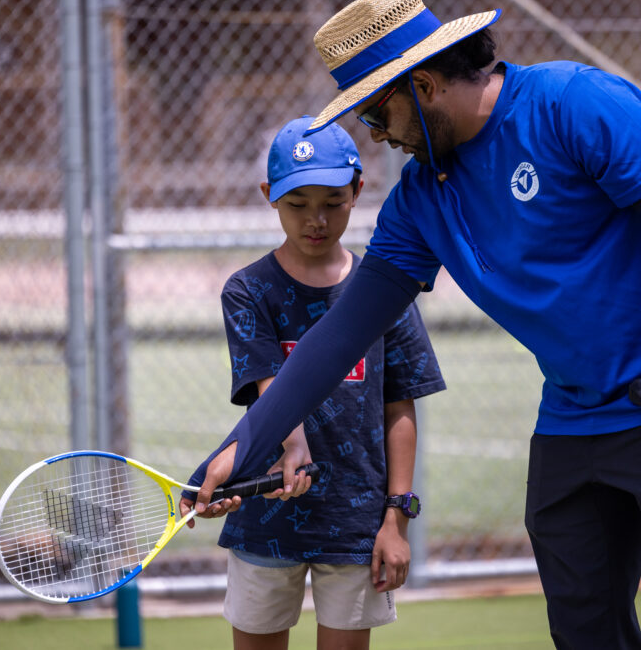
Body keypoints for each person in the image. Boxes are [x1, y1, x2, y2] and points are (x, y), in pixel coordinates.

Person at [187, 0, 641, 649]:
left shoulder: (571, 101)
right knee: (584, 631)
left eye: (376, 113)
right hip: (574, 414)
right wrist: (240, 448)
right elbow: (337, 338)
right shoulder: (419, 200)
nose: (375, 135)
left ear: (423, 86)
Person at [180, 115, 446, 650]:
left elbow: (400, 408)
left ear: (358, 190)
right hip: (266, 515)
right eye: (298, 204)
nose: (316, 219)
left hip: (356, 522)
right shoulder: (247, 290)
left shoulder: (385, 289)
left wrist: (396, 519)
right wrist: (289, 445)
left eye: (333, 202)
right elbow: (272, 394)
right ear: (270, 197)